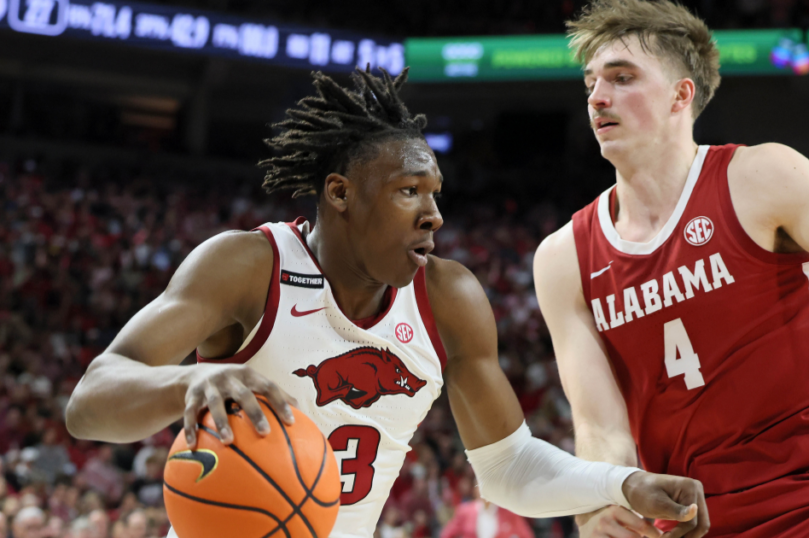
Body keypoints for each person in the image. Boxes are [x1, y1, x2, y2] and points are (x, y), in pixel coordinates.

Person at [65, 67, 705, 538]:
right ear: (340, 193)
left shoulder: (448, 299)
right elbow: (89, 404)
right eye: (408, 191)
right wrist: (193, 378)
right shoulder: (247, 266)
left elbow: (508, 465)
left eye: (435, 193)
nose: (434, 215)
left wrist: (619, 482)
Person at [532, 1, 809, 537]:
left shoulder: (762, 178)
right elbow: (599, 426)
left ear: (680, 95)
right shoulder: (563, 257)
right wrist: (598, 504)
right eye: (591, 81)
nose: (597, 97)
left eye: (622, 78)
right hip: (690, 520)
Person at [441, 484, 534, 538]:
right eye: (481, 485)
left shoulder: (509, 512)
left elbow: (526, 535)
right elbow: (446, 534)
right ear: (476, 489)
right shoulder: (465, 511)